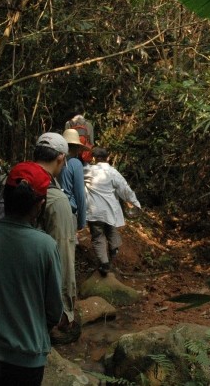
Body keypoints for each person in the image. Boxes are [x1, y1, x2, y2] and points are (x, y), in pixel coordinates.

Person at [0, 162, 63, 386]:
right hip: (27, 357)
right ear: (40, 204)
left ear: (4, 196)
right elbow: (55, 309)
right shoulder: (45, 246)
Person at [33, 132, 80, 343]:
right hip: (36, 294)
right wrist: (66, 309)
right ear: (61, 158)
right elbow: (64, 254)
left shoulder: (10, 181)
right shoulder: (56, 199)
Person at [84, 147, 142, 276]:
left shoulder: (87, 170)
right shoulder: (113, 172)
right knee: (111, 231)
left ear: (94, 158)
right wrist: (135, 203)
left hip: (95, 212)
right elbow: (125, 190)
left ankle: (104, 264)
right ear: (108, 158)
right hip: (110, 211)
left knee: (98, 237)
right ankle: (113, 251)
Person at [59, 128, 88, 235]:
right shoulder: (75, 163)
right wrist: (82, 221)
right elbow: (80, 194)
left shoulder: (55, 159)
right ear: (76, 147)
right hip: (68, 210)